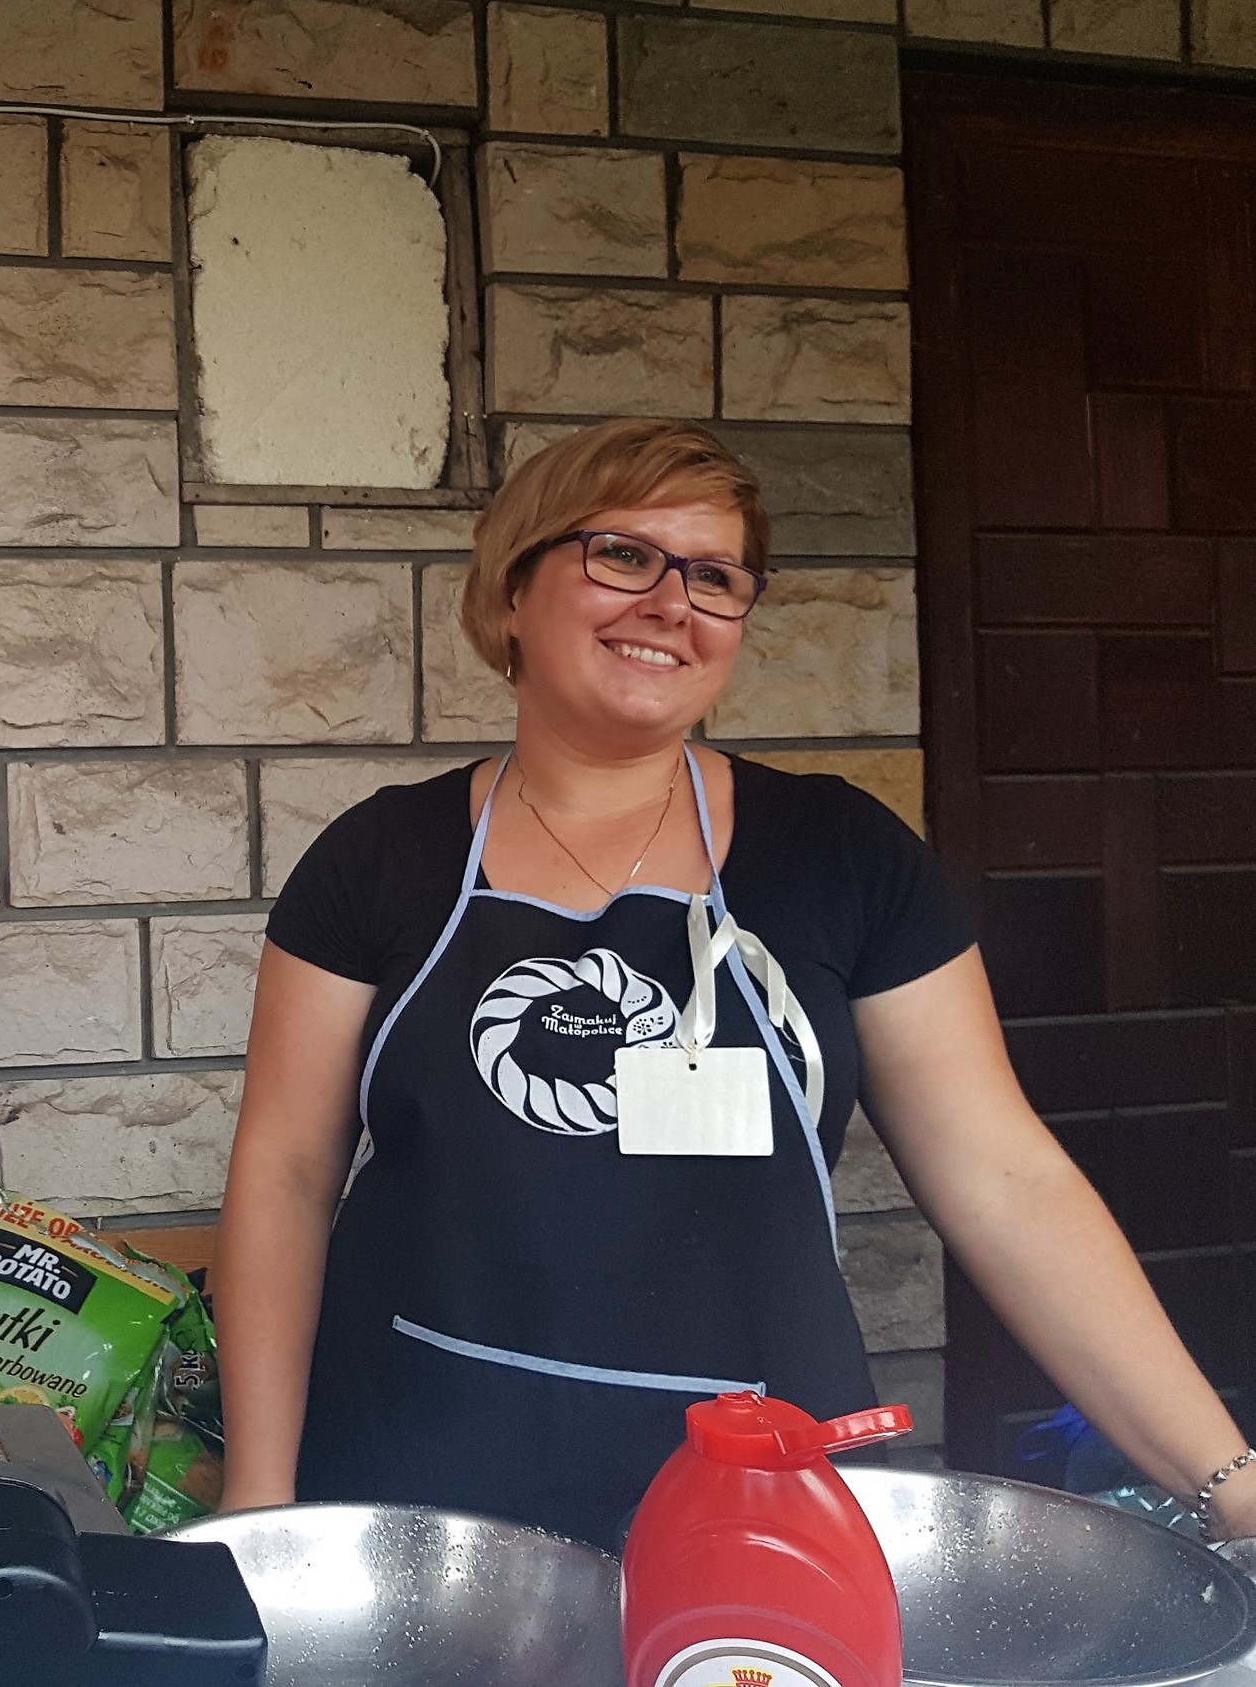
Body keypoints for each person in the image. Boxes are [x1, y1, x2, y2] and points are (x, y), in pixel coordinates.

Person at [213, 418, 1256, 1551]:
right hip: (415, 1471)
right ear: (510, 592)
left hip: (759, 1488)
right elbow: (286, 1172)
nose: (673, 603)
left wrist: (1232, 1484)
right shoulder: (378, 859)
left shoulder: (840, 854)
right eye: (623, 555)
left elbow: (1005, 1181)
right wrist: (260, 1499)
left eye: (715, 577)